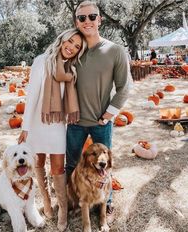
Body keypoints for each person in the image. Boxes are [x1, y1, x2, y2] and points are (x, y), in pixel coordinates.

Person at [65, 1, 131, 223]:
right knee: (73, 164)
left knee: (106, 165)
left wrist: (108, 115)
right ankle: (73, 202)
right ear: (76, 22)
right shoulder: (73, 50)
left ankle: (107, 202)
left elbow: (124, 87)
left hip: (101, 122)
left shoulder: (115, 51)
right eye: (81, 18)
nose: (87, 21)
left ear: (100, 19)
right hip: (75, 122)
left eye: (92, 16)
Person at [18, 28, 86, 231]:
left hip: (57, 124)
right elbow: (32, 97)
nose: (71, 48)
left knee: (57, 167)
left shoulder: (71, 69)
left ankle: (62, 210)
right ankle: (47, 202)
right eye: (70, 42)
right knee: (37, 163)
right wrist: (25, 127)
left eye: (77, 47)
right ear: (62, 39)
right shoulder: (42, 61)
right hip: (38, 122)